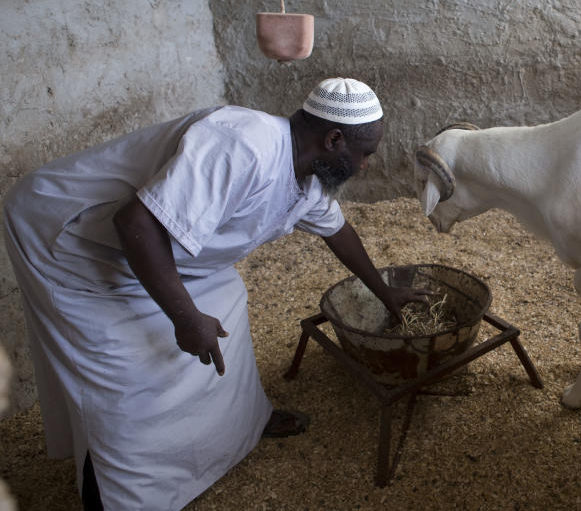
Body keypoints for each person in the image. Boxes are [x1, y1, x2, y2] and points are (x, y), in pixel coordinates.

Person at [2, 77, 428, 510]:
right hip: (72, 243)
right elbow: (137, 224)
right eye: (364, 155)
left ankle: (240, 429)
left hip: (156, 247)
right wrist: (185, 318)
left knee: (226, 299)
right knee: (126, 370)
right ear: (334, 139)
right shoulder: (242, 144)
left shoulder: (308, 175)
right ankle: (117, 495)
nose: (364, 167)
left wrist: (384, 293)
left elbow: (338, 231)